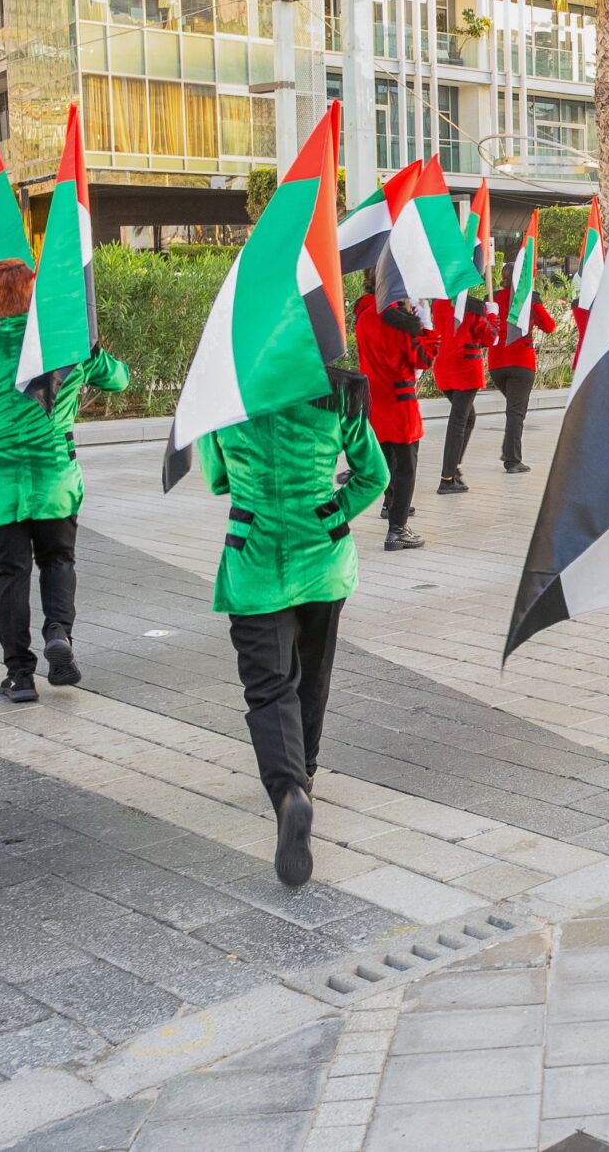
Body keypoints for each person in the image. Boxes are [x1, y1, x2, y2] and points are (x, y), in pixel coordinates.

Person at [198, 367, 387, 886]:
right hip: (323, 558)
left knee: (268, 685)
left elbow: (217, 478)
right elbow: (375, 474)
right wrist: (333, 511)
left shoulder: (226, 392)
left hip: (254, 560)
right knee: (314, 674)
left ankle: (288, 792)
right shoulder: (338, 391)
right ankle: (306, 773)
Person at [0, 259, 131, 702]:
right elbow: (120, 379)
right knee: (58, 561)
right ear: (34, 293)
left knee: (9, 577)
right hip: (56, 481)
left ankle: (20, 675)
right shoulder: (66, 348)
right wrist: (90, 343)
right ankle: (58, 634)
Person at [354, 264, 438, 548]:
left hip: (375, 403)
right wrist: (425, 324)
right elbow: (424, 359)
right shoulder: (399, 321)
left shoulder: (364, 317)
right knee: (406, 469)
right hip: (401, 406)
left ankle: (391, 510)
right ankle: (397, 529)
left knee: (389, 465)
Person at [487, 280, 557, 472]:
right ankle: (512, 460)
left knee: (513, 410)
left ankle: (508, 449)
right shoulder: (527, 299)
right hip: (521, 361)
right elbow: (550, 326)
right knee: (516, 412)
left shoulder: (493, 299)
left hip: (496, 363)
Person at [430, 295, 495, 494]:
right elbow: (489, 338)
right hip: (465, 369)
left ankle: (455, 467)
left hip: (444, 367)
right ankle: (447, 478)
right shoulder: (472, 306)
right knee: (459, 420)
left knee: (468, 418)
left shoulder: (438, 303)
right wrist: (492, 315)